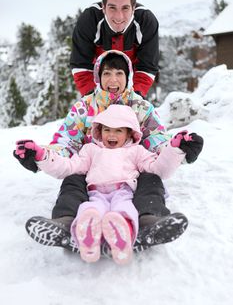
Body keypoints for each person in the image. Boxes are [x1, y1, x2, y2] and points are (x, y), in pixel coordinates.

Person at [14, 50, 203, 257]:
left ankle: (149, 220)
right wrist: (40, 157)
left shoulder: (141, 108)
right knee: (72, 179)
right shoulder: (84, 108)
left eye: (119, 73)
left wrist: (180, 151)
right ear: (98, 77)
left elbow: (158, 142)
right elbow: (66, 142)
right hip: (91, 171)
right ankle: (66, 222)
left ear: (128, 76)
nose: (113, 80)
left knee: (152, 179)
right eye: (107, 73)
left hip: (133, 173)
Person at [16, 105, 187, 265]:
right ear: (99, 131)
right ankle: (87, 236)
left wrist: (174, 150)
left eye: (118, 130)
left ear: (129, 134)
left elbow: (157, 168)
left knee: (124, 210)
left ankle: (122, 237)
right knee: (90, 210)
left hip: (124, 191)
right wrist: (42, 157)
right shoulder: (90, 150)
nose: (111, 135)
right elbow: (69, 167)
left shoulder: (136, 151)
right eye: (107, 130)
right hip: (96, 192)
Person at [70, 0, 160, 97]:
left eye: (125, 8)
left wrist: (134, 96)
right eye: (112, 8)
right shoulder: (89, 20)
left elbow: (147, 67)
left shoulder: (146, 22)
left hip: (131, 80)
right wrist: (93, 97)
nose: (119, 17)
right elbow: (81, 64)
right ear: (103, 7)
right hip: (99, 78)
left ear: (133, 8)